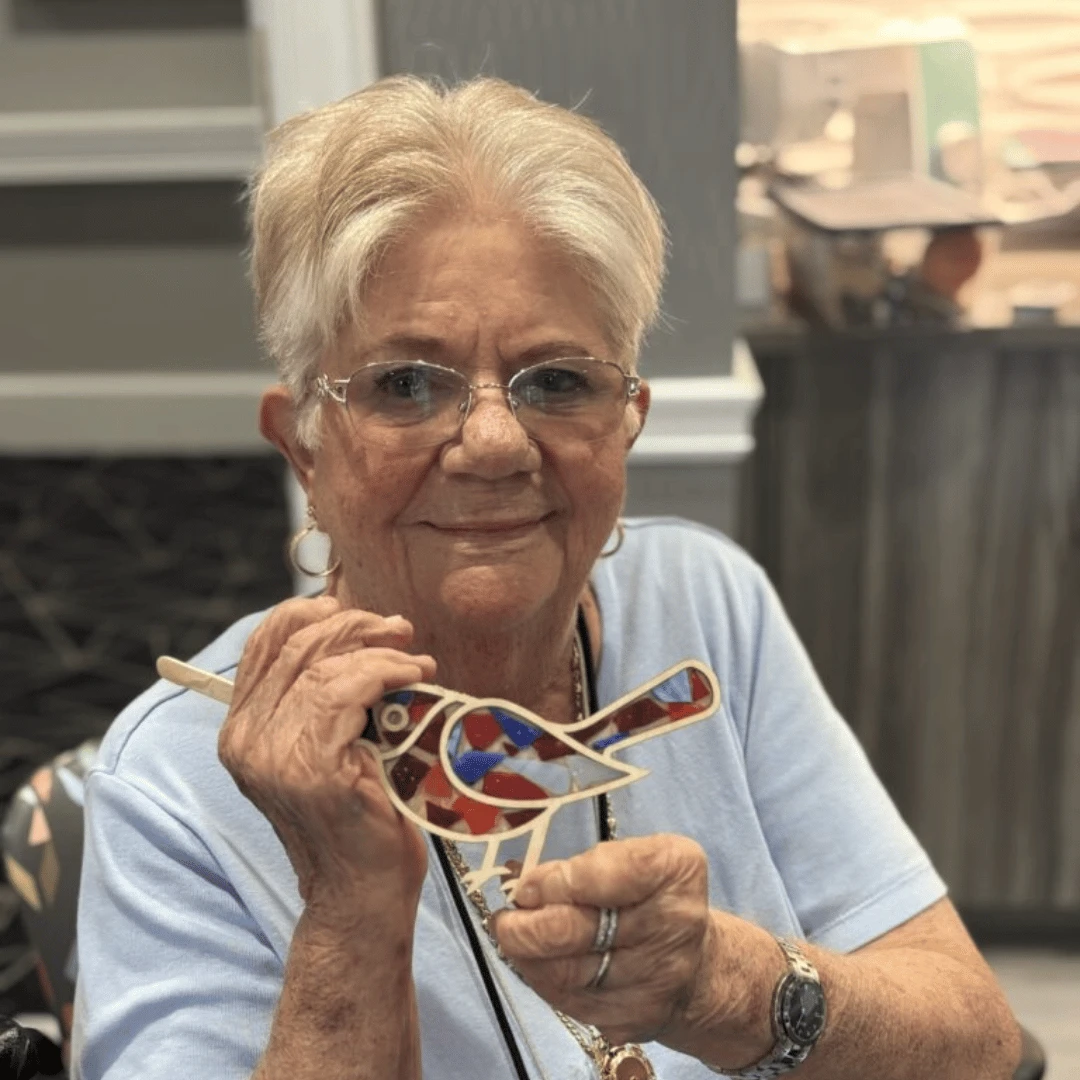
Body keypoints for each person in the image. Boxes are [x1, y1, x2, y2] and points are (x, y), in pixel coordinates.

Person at [72, 76, 1020, 1080]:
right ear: (303, 446)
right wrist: (351, 916)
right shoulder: (176, 784)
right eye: (404, 384)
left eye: (558, 380)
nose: (491, 441)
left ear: (628, 418)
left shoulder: (705, 604)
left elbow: (976, 1041)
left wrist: (723, 986)